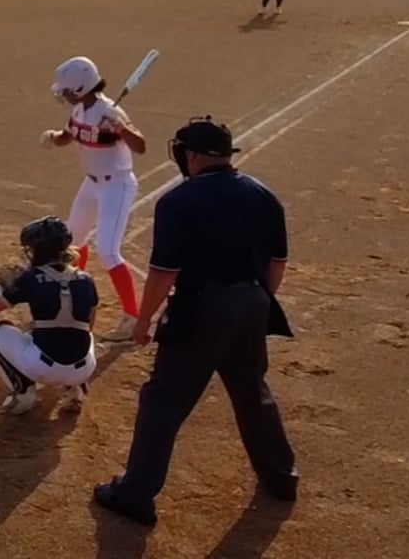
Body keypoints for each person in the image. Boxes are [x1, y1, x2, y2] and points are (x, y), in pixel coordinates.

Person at [92, 117, 297, 528]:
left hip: (202, 309)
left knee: (163, 400)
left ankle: (135, 494)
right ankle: (281, 477)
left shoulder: (179, 201)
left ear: (193, 156)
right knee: (252, 392)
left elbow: (164, 273)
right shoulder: (263, 194)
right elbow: (277, 263)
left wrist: (143, 321)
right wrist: (254, 303)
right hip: (253, 303)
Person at [40, 56, 148, 342]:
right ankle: (78, 296)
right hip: (91, 183)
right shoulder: (79, 109)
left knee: (108, 251)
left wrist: (120, 127)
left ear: (79, 87)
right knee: (73, 242)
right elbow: (69, 135)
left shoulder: (111, 111)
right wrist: (53, 137)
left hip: (117, 185)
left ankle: (133, 317)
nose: (63, 94)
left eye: (66, 89)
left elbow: (140, 146)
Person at [0, 216, 99, 415]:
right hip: (84, 367)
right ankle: (76, 388)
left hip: (44, 368)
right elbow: (90, 322)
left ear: (39, 250)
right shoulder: (86, 279)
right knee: (79, 329)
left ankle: (23, 393)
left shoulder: (31, 278)